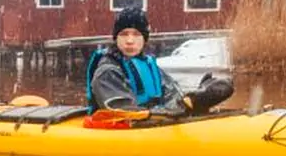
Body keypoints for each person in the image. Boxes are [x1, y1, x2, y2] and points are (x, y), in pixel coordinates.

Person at [85, 6, 234, 116]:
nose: (130, 41)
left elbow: (172, 97)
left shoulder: (149, 65)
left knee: (222, 87)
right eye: (124, 34)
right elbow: (124, 113)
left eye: (136, 34)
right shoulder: (107, 71)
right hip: (121, 133)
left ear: (145, 39)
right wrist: (181, 107)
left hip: (151, 124)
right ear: (115, 38)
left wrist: (196, 97)